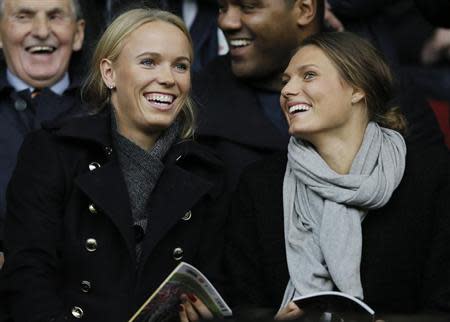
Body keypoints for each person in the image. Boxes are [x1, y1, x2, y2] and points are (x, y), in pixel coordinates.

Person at [2, 8, 226, 322]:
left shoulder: (206, 171)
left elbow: (217, 283)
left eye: (181, 66)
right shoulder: (54, 152)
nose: (167, 78)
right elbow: (27, 275)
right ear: (109, 73)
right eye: (149, 61)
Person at [226, 32, 450, 321]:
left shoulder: (432, 175)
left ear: (357, 89)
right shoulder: (260, 184)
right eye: (285, 81)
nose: (288, 90)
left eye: (308, 76)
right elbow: (240, 302)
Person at [193, 0, 445, 194]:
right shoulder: (197, 103)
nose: (226, 21)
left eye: (248, 7)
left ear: (305, 9)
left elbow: (435, 197)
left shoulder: (385, 88)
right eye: (221, 8)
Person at [0, 0, 86, 265]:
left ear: (78, 34)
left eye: (55, 16)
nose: (41, 30)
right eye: (24, 16)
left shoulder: (109, 109)